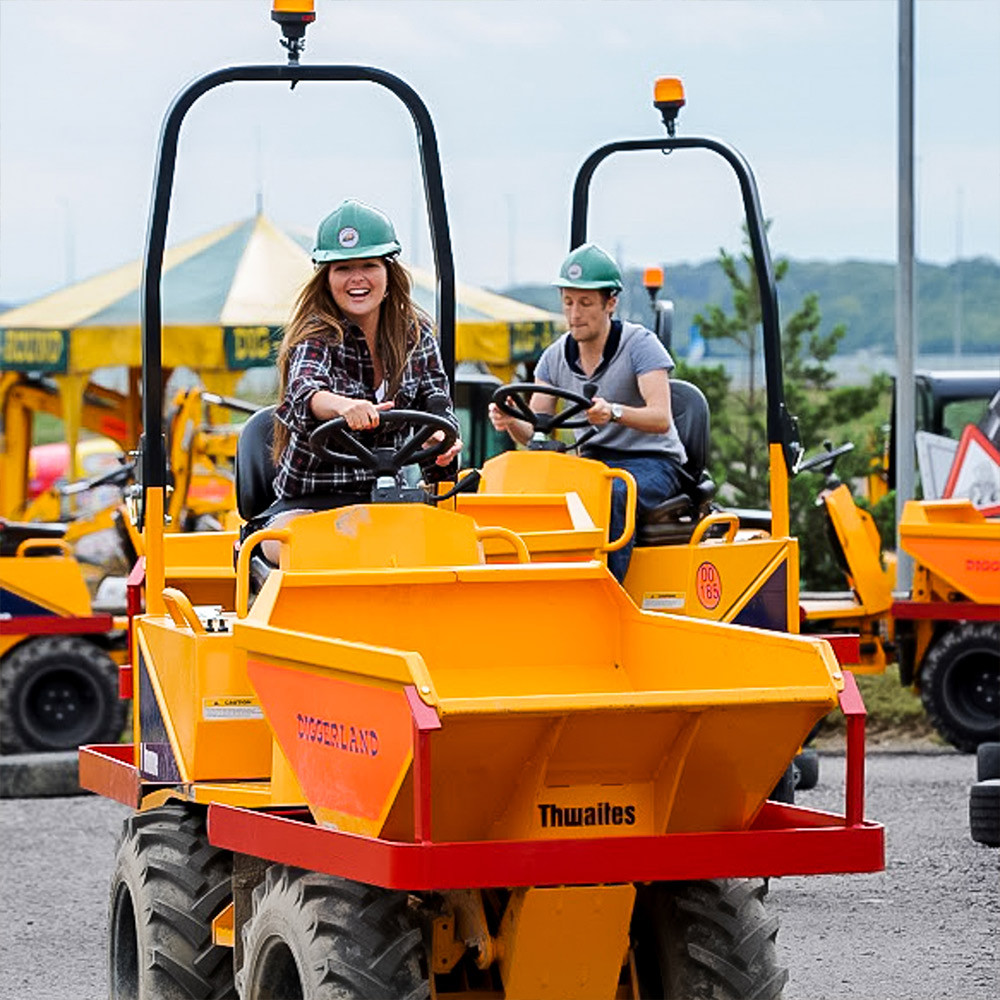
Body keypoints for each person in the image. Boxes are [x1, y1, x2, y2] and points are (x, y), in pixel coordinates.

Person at [263, 199, 462, 556]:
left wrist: (440, 444)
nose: (357, 278)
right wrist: (345, 407)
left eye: (369, 265)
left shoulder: (417, 337)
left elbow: (438, 409)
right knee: (313, 550)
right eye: (342, 268)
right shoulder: (317, 335)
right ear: (326, 278)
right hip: (309, 504)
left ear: (389, 272)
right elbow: (305, 391)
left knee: (462, 546)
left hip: (388, 500)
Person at [488, 242, 686, 583]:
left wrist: (615, 413)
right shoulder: (554, 356)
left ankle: (605, 593)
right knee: (534, 496)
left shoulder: (640, 345)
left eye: (585, 303)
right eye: (568, 302)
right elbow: (536, 431)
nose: (574, 314)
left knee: (612, 494)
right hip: (591, 463)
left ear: (610, 303)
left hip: (653, 462)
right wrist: (510, 421)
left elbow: (660, 417)